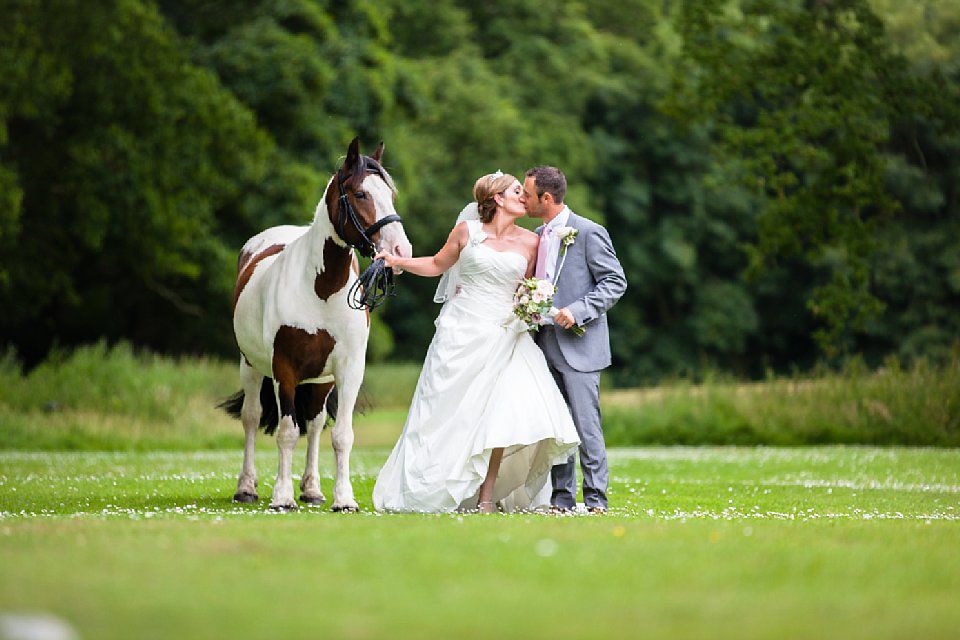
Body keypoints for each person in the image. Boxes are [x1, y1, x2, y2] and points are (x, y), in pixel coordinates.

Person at [372, 172, 580, 513]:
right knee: (445, 413)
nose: (523, 197)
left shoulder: (532, 241)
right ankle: (432, 482)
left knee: (500, 415)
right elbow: (437, 265)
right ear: (497, 198)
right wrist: (398, 262)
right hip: (460, 331)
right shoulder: (467, 232)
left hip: (504, 334)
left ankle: (486, 497)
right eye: (516, 191)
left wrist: (534, 303)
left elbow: (531, 288)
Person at [523, 166, 627, 514]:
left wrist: (578, 310)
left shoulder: (588, 232)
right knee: (558, 428)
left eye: (528, 194)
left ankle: (596, 501)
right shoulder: (538, 233)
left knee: (586, 425)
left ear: (546, 198)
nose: (524, 199)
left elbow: (614, 282)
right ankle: (562, 500)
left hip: (581, 345)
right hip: (543, 343)